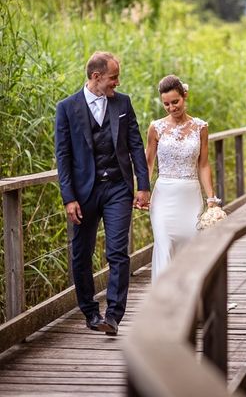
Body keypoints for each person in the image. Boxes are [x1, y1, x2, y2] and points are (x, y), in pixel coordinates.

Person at [55, 51, 150, 336]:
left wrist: (143, 185)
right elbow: (63, 156)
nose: (117, 83)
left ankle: (113, 315)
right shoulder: (67, 108)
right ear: (96, 77)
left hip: (118, 188)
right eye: (113, 78)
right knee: (81, 255)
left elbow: (136, 144)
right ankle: (90, 312)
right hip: (84, 193)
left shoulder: (123, 103)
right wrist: (68, 197)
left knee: (118, 251)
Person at [145, 75, 221, 284]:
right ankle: (163, 300)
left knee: (190, 245)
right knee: (164, 243)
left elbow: (203, 164)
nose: (171, 107)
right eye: (166, 104)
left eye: (175, 102)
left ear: (184, 95)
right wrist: (141, 191)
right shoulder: (156, 128)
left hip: (190, 195)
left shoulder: (200, 127)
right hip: (163, 196)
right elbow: (148, 163)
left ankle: (190, 297)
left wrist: (211, 198)